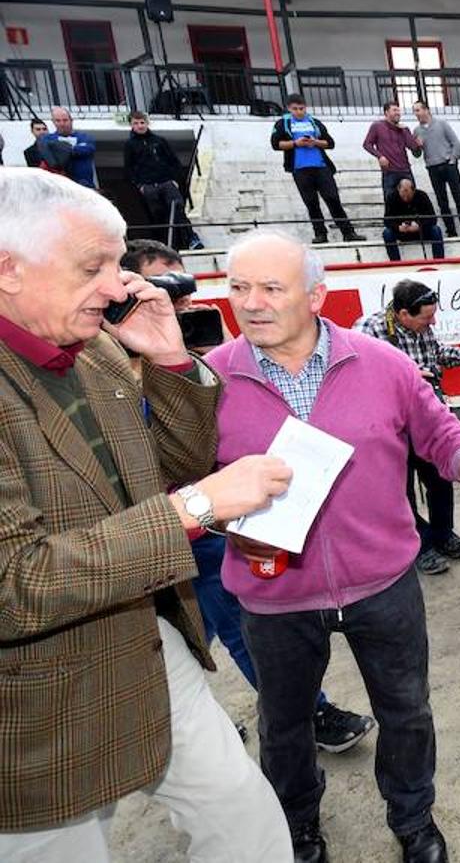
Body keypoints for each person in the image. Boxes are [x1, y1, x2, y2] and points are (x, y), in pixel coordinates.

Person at [208, 229, 460, 863]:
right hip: (273, 595)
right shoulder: (208, 382)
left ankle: (414, 820)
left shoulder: (381, 362)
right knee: (283, 726)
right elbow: (181, 480)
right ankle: (299, 827)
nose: (251, 303)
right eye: (239, 288)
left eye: (271, 288)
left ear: (315, 295)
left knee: (407, 712)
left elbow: (441, 432)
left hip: (382, 585)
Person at [0, 168, 292, 861]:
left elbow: (176, 466)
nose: (119, 284)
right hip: (33, 701)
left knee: (243, 820)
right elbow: (14, 584)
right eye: (94, 265)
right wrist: (194, 509)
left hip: (146, 635)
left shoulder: (96, 348)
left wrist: (169, 364)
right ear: (9, 269)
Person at [120, 239, 377, 753]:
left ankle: (309, 711)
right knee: (180, 638)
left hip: (216, 533)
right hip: (147, 534)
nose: (177, 307)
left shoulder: (199, 364)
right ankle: (193, 724)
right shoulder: (102, 365)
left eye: (183, 290)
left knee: (232, 627)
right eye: (160, 292)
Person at [354, 278, 460, 570]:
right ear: (403, 314)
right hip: (391, 426)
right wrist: (406, 378)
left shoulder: (420, 327)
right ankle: (420, 547)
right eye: (427, 317)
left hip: (425, 419)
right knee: (401, 490)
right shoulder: (367, 331)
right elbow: (355, 378)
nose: (432, 322)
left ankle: (443, 535)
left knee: (440, 480)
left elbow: (437, 354)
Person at [271, 94, 364, 245]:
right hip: (300, 168)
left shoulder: (314, 122)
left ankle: (348, 232)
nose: (299, 112)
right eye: (295, 109)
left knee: (333, 199)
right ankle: (320, 234)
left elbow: (330, 143)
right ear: (289, 109)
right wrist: (296, 143)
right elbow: (276, 144)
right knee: (311, 202)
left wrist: (315, 142)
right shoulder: (283, 123)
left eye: (302, 108)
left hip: (321, 167)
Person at [123, 111, 204, 250]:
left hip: (166, 182)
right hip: (148, 186)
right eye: (136, 123)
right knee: (157, 215)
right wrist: (140, 185)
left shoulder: (159, 141)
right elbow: (129, 168)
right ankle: (164, 246)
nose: (140, 126)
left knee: (177, 209)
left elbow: (173, 161)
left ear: (147, 123)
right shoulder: (129, 145)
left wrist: (174, 180)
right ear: (131, 125)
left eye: (142, 122)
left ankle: (191, 239)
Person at [412, 100, 460, 238]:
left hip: (448, 164)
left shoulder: (442, 124)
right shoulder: (416, 131)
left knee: (459, 198)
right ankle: (451, 231)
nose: (416, 114)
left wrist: (452, 160)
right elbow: (416, 154)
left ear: (426, 110)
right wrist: (417, 147)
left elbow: (456, 143)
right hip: (432, 168)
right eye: (415, 111)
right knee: (442, 201)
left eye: (418, 110)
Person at [363, 101, 421, 198]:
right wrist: (380, 156)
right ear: (386, 112)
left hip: (405, 171)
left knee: (412, 200)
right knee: (390, 201)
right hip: (389, 172)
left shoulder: (403, 129)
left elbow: (415, 150)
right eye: (394, 110)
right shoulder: (377, 126)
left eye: (398, 110)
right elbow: (367, 144)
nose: (398, 113)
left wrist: (407, 131)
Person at [382, 178, 444, 262]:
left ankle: (439, 261)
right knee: (387, 233)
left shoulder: (422, 196)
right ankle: (396, 263)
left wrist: (419, 226)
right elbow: (387, 220)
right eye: (403, 194)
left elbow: (432, 218)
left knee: (436, 230)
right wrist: (398, 227)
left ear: (413, 190)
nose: (406, 197)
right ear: (398, 189)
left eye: (408, 195)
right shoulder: (392, 197)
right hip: (402, 232)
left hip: (420, 230)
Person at [49, 106, 96, 188]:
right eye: (58, 121)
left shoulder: (85, 137)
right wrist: (75, 148)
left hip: (84, 185)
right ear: (53, 122)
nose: (62, 124)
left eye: (65, 120)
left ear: (71, 120)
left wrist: (64, 149)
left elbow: (88, 149)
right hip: (61, 186)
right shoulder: (49, 139)